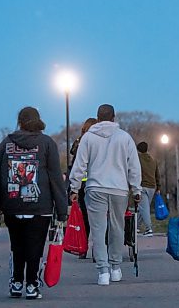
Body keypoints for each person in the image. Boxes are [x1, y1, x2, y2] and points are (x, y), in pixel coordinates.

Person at [0, 106, 68, 300]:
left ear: (20, 121)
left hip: (12, 204)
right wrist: (61, 210)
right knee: (35, 247)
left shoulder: (6, 143)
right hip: (40, 206)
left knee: (16, 246)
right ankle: (32, 285)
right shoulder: (47, 143)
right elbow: (55, 179)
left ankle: (16, 283)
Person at [69, 104, 142, 286]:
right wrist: (136, 189)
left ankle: (103, 271)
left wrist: (74, 187)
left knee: (98, 230)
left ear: (98, 118)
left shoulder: (88, 138)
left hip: (95, 188)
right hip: (119, 189)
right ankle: (116, 267)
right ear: (114, 117)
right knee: (117, 228)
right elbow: (134, 165)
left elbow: (80, 165)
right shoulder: (125, 138)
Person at [70, 117, 98, 258]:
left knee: (85, 217)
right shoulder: (98, 141)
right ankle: (97, 248)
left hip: (82, 183)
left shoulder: (79, 142)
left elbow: (75, 162)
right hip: (97, 182)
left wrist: (74, 186)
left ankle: (83, 247)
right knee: (99, 218)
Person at [136, 141, 161, 237]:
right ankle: (136, 227)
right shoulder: (153, 159)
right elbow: (157, 174)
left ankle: (148, 229)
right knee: (144, 208)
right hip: (152, 187)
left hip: (142, 187)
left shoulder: (137, 159)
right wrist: (158, 187)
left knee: (144, 209)